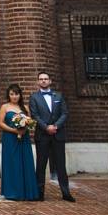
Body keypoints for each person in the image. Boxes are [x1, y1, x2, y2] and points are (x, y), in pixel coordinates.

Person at [29, 71, 75, 202]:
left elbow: (64, 113)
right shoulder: (34, 97)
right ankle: (40, 193)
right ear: (38, 82)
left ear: (50, 81)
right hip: (42, 135)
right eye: (41, 79)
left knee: (61, 164)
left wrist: (55, 126)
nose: (43, 81)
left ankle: (66, 193)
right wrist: (46, 127)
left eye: (46, 79)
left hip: (58, 134)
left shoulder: (58, 96)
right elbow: (35, 115)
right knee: (41, 164)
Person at [0, 84, 39, 201]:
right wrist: (14, 130)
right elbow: (0, 123)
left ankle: (27, 191)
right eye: (12, 94)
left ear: (20, 95)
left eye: (16, 94)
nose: (14, 96)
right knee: (13, 163)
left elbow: (30, 122)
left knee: (24, 162)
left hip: (24, 139)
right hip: (10, 139)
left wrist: (24, 129)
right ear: (8, 95)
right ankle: (13, 192)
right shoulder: (5, 107)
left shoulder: (25, 108)